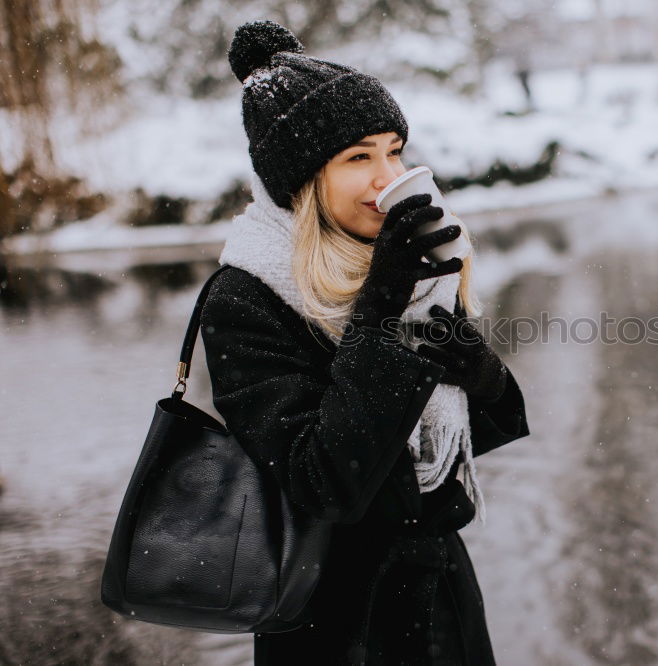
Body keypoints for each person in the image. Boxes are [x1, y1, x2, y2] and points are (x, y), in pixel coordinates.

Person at [200, 20, 530, 665]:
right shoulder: (244, 299)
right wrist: (379, 310)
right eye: (359, 158)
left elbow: (472, 441)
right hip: (331, 617)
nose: (388, 177)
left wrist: (480, 371)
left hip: (441, 599)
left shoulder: (394, 270)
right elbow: (324, 483)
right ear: (300, 177)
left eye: (395, 150)